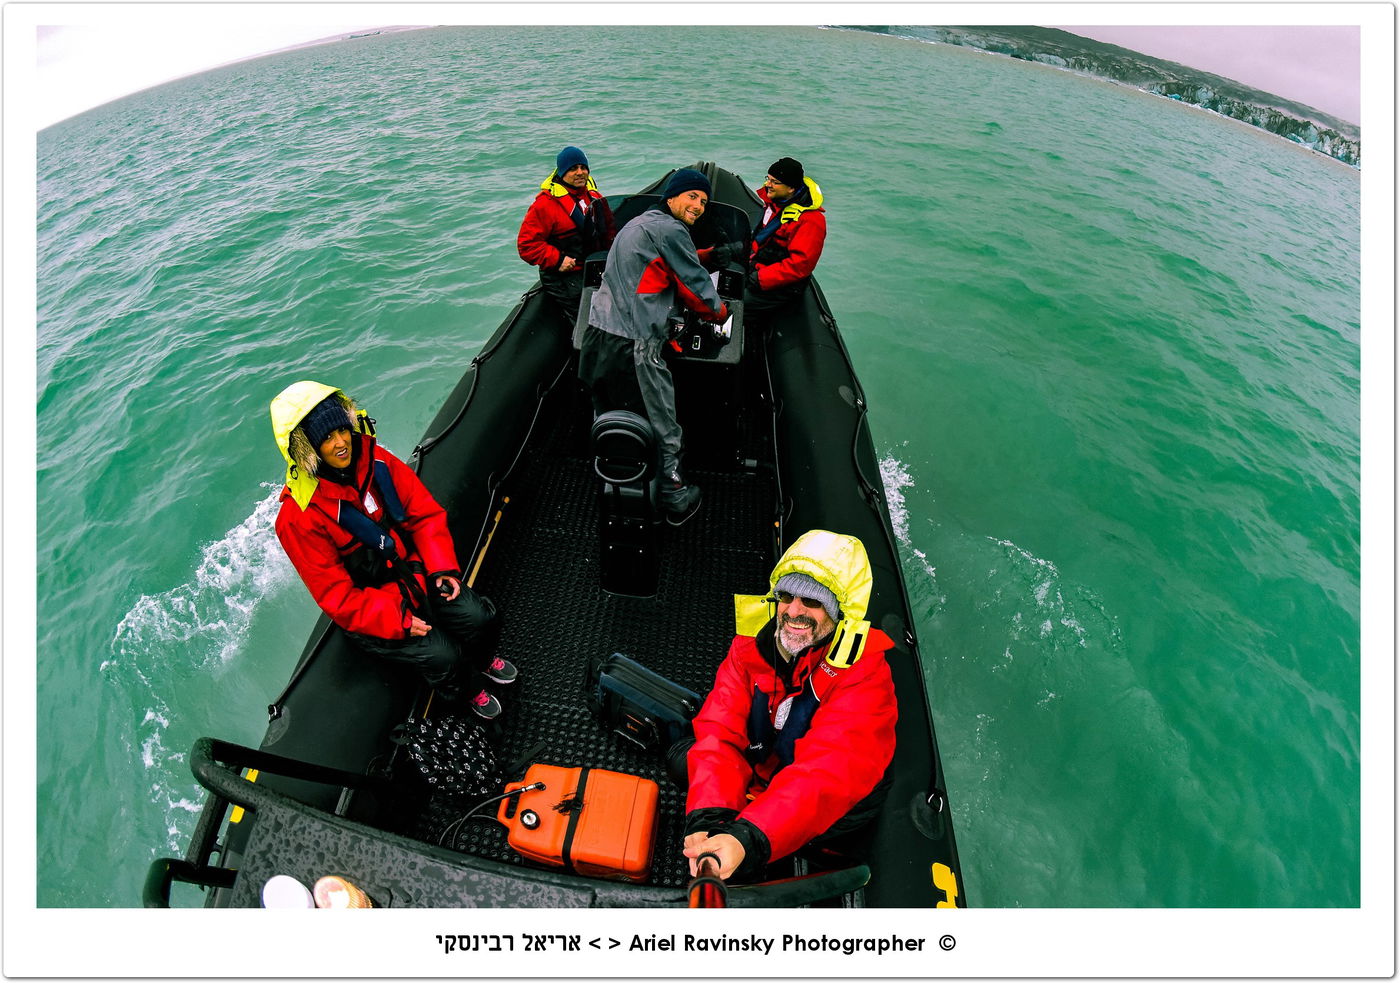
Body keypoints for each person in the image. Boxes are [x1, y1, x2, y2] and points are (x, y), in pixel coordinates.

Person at [270, 380, 518, 721]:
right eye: (326, 438)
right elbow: (337, 597)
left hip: (416, 574)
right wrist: (396, 619)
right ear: (307, 449)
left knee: (481, 618)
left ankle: (484, 660)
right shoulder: (297, 520)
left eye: (342, 430)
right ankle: (468, 692)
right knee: (445, 658)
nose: (341, 443)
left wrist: (442, 568)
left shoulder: (376, 460)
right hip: (379, 606)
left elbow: (424, 516)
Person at [681, 529, 897, 882]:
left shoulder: (865, 676)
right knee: (682, 757)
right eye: (786, 596)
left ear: (839, 612)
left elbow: (825, 775)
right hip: (769, 770)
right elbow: (720, 729)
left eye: (812, 601)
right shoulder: (751, 646)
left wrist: (747, 838)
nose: (794, 611)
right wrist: (711, 817)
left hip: (831, 804)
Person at [577, 167, 729, 527]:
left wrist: (705, 255)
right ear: (672, 196)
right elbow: (697, 292)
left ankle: (613, 483)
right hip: (634, 345)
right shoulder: (672, 230)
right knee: (662, 422)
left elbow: (656, 263)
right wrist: (721, 312)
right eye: (692, 196)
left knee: (610, 416)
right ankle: (674, 496)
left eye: (704, 201)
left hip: (598, 336)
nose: (699, 206)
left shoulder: (638, 224)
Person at [517, 146, 617, 327]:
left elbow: (610, 231)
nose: (580, 172)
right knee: (588, 321)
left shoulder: (594, 196)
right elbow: (526, 245)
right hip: (565, 277)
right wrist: (557, 260)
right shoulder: (544, 205)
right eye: (573, 169)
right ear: (562, 172)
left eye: (583, 167)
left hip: (592, 267)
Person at [744, 157, 827, 320]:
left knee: (734, 303)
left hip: (780, 286)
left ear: (791, 188)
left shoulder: (811, 221)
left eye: (774, 182)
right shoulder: (774, 204)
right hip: (759, 268)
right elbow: (761, 239)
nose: (767, 184)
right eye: (768, 178)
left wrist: (760, 278)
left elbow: (800, 265)